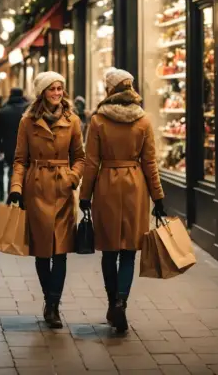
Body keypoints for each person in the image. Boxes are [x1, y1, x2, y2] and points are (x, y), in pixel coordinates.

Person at [79, 68, 166, 333]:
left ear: (110, 90)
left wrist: (84, 195)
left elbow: (92, 162)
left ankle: (111, 301)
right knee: (129, 251)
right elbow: (150, 163)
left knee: (109, 251)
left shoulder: (98, 120)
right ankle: (121, 302)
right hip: (135, 187)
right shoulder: (143, 120)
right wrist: (158, 196)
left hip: (106, 184)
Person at [7, 72, 85, 329]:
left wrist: (73, 178)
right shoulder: (27, 122)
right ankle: (49, 300)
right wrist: (16, 188)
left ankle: (53, 304)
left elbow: (80, 157)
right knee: (42, 251)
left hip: (62, 190)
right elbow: (20, 159)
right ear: (42, 92)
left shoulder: (72, 120)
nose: (57, 93)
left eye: (60, 88)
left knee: (60, 251)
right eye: (52, 89)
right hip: (37, 189)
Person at [0, 87, 29, 198]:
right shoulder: (28, 110)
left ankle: (12, 193)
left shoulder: (3, 111)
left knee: (12, 170)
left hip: (9, 146)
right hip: (27, 146)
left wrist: (0, 148)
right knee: (25, 171)